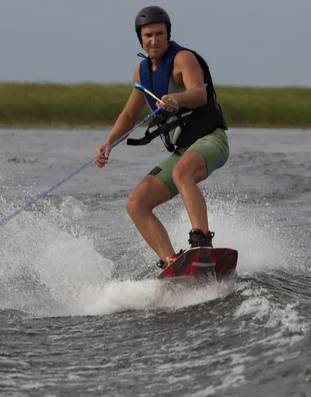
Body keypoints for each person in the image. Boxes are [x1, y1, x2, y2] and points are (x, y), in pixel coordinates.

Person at [93, 6, 230, 269]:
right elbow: (130, 115)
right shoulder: (141, 73)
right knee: (136, 203)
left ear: (168, 35)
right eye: (148, 35)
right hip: (183, 150)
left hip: (212, 140)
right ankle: (171, 262)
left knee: (181, 173)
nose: (154, 40)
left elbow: (199, 94)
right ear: (140, 39)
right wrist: (108, 142)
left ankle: (202, 243)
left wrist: (176, 98)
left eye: (159, 34)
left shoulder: (183, 59)